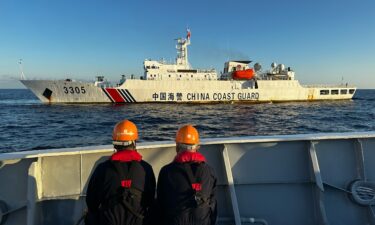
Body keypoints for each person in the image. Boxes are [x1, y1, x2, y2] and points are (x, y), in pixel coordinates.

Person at [85, 119, 156, 225]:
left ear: (115, 144)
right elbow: (150, 200)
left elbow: (91, 203)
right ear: (134, 143)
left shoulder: (102, 169)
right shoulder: (146, 168)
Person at [157, 125, 217, 225]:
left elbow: (160, 206)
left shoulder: (166, 171)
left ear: (177, 146)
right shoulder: (209, 171)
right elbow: (213, 205)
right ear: (197, 146)